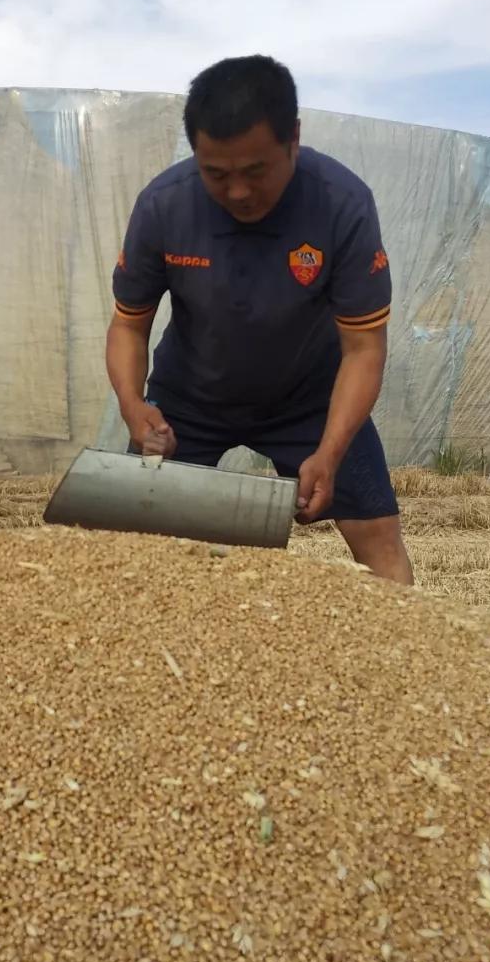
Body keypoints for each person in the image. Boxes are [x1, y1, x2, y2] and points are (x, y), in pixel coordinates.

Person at [108, 55, 413, 583]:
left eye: (256, 171)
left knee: (379, 539)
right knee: (131, 551)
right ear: (195, 153)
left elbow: (364, 349)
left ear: (293, 137)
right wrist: (134, 407)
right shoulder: (164, 207)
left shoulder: (342, 205)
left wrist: (330, 450)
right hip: (189, 401)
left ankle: (417, 660)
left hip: (310, 399)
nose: (239, 192)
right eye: (217, 174)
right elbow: (128, 326)